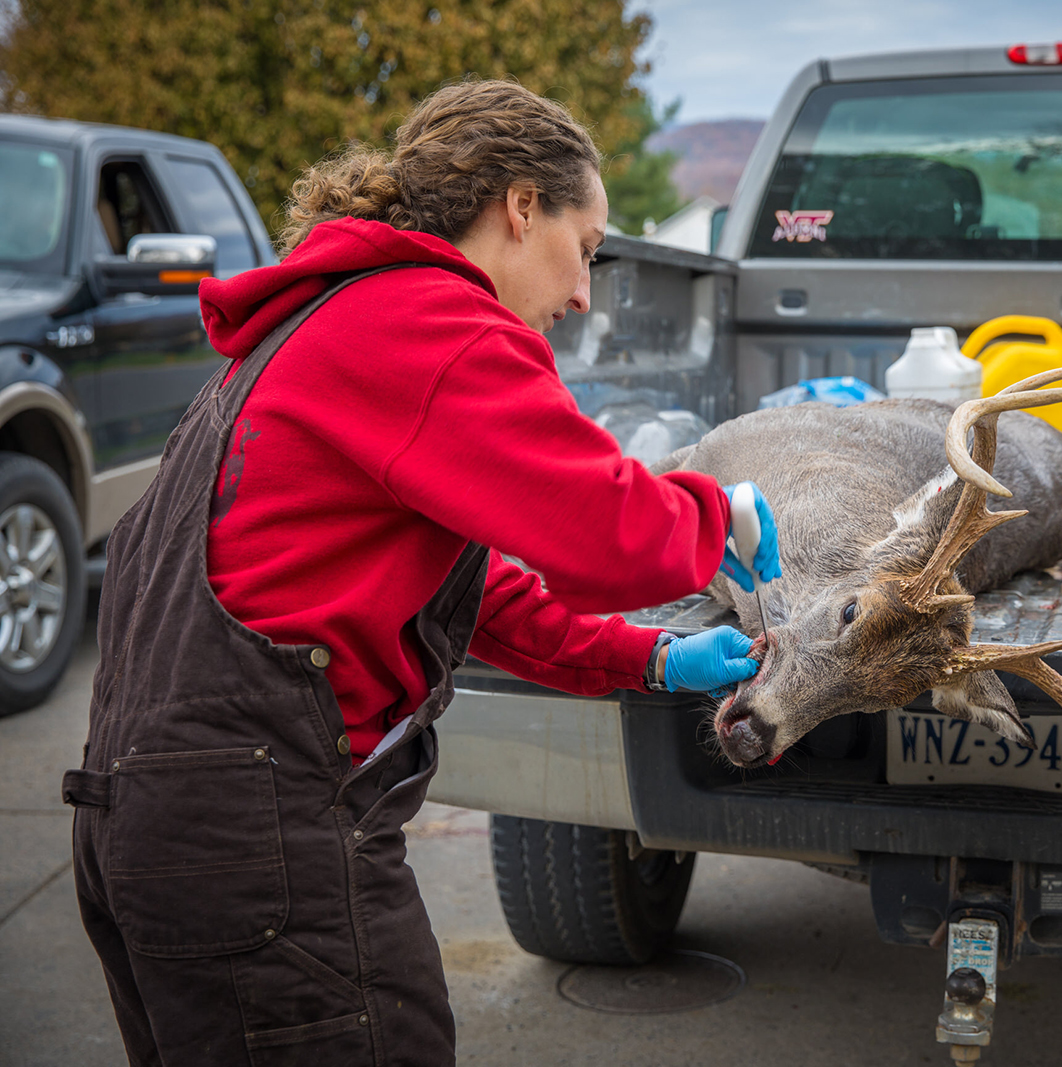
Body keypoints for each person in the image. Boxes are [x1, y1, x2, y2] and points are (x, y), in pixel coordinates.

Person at [62, 78, 780, 1066]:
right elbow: (607, 530)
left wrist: (651, 660)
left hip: (153, 823)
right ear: (519, 208)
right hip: (259, 839)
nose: (582, 293)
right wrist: (716, 508)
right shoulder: (431, 323)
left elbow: (467, 591)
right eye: (587, 248)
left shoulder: (322, 318)